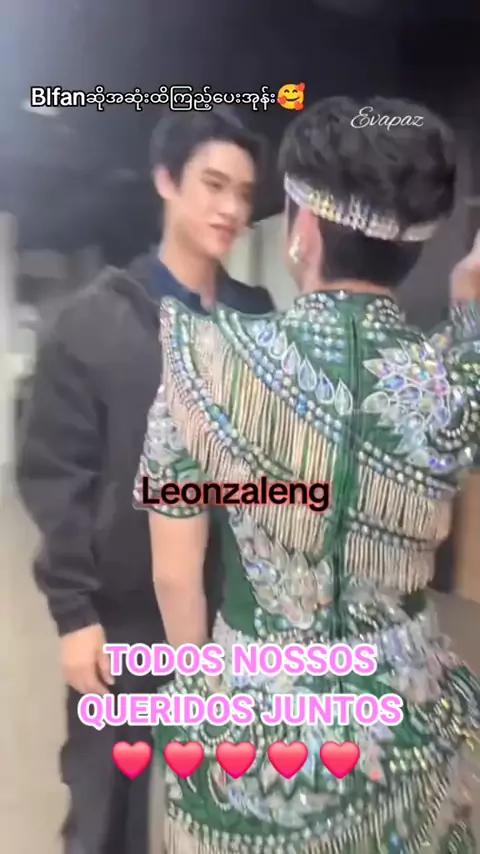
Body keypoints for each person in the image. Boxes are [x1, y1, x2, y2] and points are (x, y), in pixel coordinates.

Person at [134, 96, 480, 854]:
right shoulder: (455, 377)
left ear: (304, 230)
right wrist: (469, 307)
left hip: (254, 734)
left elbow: (174, 575)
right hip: (408, 732)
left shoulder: (207, 363)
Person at [15, 108, 273, 854]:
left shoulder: (257, 323)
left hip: (235, 619)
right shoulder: (92, 322)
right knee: (106, 811)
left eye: (243, 193)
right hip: (122, 618)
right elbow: (57, 478)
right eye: (213, 185)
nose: (230, 208)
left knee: (233, 810)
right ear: (167, 181)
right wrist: (74, 614)